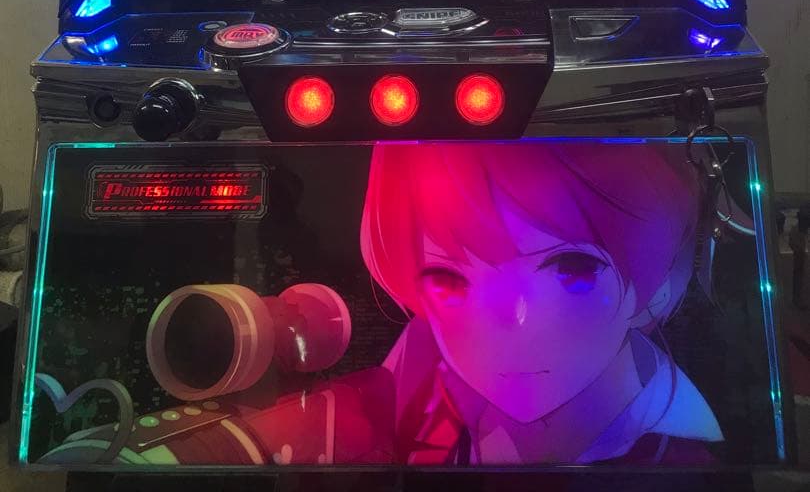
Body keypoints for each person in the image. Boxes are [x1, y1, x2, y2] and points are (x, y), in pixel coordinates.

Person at [42, 142, 723, 467]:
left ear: (659, 282)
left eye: (572, 270)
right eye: (448, 280)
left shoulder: (677, 456)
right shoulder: (432, 358)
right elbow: (349, 414)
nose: (506, 324)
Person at [789, 208, 810, 309]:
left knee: (800, 278)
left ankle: (799, 300)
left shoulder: (799, 230)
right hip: (799, 257)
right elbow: (792, 244)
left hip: (800, 256)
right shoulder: (796, 230)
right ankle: (798, 300)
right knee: (799, 278)